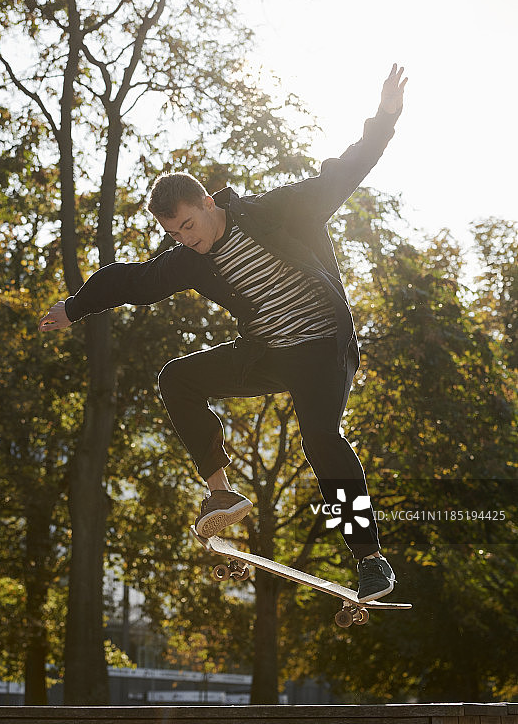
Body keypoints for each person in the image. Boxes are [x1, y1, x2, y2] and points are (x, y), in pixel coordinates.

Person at [39, 64, 407, 602]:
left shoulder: (277, 211)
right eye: (174, 234)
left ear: (208, 203)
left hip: (322, 347)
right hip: (268, 352)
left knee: (321, 439)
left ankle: (370, 558)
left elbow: (344, 172)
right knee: (176, 379)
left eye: (188, 225)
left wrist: (385, 118)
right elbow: (133, 281)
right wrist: (75, 308)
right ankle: (221, 494)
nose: (185, 240)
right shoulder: (189, 259)